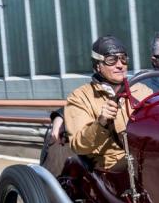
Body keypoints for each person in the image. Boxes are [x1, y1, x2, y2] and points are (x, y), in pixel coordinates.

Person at [62, 35, 151, 172]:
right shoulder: (79, 97)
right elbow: (78, 145)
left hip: (147, 158)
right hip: (111, 171)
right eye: (111, 60)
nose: (120, 65)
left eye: (123, 59)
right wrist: (101, 122)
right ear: (98, 66)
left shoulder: (142, 90)